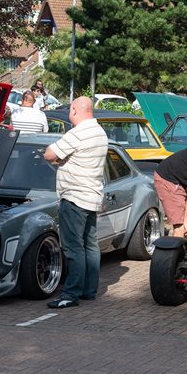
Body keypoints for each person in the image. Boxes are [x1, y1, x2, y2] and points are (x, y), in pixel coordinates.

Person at [43, 96, 108, 309]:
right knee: (90, 245)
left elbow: (49, 154)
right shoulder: (100, 132)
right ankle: (89, 290)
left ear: (74, 110)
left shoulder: (78, 133)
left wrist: (61, 159)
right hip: (92, 196)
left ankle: (70, 294)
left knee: (73, 248)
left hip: (74, 197)